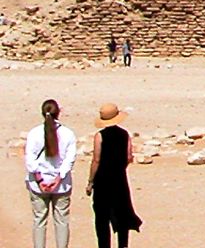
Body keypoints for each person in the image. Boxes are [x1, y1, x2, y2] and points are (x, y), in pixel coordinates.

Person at [86, 103, 142, 248]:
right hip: (120, 180)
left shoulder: (100, 136)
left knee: (102, 218)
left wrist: (90, 181)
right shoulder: (125, 134)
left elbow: (96, 160)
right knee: (122, 215)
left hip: (103, 181)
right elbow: (129, 156)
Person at [25, 98, 77, 248]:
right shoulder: (68, 134)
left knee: (39, 220)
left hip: (38, 185)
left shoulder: (34, 133)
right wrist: (58, 179)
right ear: (58, 113)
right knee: (62, 221)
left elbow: (30, 159)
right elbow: (69, 159)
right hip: (61, 186)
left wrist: (40, 180)